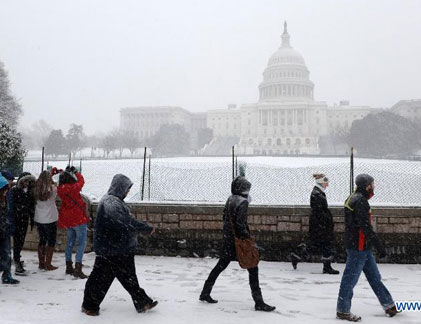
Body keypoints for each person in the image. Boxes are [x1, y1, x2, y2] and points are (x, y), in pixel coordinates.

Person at [82, 174, 157, 316]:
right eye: (127, 188)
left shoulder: (114, 201)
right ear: (120, 187)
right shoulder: (111, 202)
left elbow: (125, 221)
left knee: (123, 277)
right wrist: (145, 228)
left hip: (117, 248)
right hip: (113, 249)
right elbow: (124, 221)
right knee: (103, 278)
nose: (128, 192)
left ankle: (142, 302)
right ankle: (89, 306)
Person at [199, 176, 275, 312]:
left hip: (229, 240)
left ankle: (205, 292)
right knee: (253, 268)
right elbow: (241, 225)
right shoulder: (243, 202)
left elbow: (226, 219)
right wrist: (248, 240)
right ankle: (259, 302)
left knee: (220, 266)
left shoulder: (230, 199)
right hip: (239, 242)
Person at [336, 174, 399, 322]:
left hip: (360, 246)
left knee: (375, 278)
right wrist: (380, 247)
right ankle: (343, 310)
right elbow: (365, 227)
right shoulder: (361, 202)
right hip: (358, 247)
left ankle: (389, 305)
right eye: (372, 184)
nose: (374, 186)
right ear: (366, 186)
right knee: (349, 280)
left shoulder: (352, 197)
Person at [290, 174, 339, 274]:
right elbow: (319, 211)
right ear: (321, 182)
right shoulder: (317, 194)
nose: (327, 185)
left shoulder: (318, 193)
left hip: (319, 225)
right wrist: (326, 222)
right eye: (326, 183)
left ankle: (298, 255)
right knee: (325, 244)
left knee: (317, 245)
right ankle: (326, 266)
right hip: (320, 225)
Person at [57, 166, 89, 278]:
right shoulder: (74, 188)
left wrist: (61, 172)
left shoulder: (60, 189)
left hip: (68, 218)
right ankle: (78, 267)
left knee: (70, 243)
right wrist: (76, 172)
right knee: (81, 243)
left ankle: (68, 266)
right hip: (78, 218)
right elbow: (82, 181)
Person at [10, 172, 36, 276]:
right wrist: (21, 208)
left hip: (24, 219)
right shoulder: (15, 191)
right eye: (25, 181)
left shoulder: (29, 192)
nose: (27, 183)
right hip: (17, 220)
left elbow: (31, 204)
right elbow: (13, 204)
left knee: (21, 240)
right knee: (18, 241)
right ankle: (17, 261)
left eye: (28, 181)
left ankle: (17, 258)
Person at [34, 170, 59, 271]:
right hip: (50, 218)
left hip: (39, 218)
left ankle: (41, 263)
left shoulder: (36, 189)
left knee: (42, 240)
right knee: (51, 241)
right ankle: (48, 264)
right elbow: (55, 188)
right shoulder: (52, 189)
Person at [0, 174, 19, 284]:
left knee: (7, 255)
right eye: (5, 189)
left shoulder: (4, 199)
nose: (7, 191)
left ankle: (7, 276)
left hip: (4, 231)